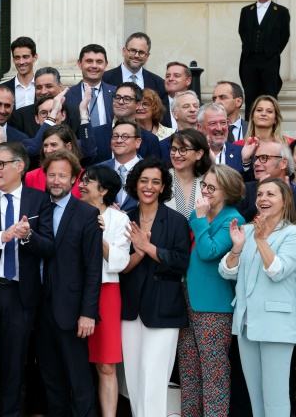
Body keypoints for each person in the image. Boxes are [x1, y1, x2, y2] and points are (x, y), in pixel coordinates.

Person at [0, 142, 55, 416]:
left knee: (14, 365)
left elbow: (49, 247)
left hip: (21, 294)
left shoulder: (39, 200)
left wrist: (28, 235)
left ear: (20, 166)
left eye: (0, 164)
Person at [119, 158, 191, 417]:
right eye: (144, 180)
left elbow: (181, 262)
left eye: (156, 182)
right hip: (130, 308)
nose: (149, 186)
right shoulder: (123, 219)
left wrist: (149, 249)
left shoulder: (176, 221)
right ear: (135, 184)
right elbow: (118, 265)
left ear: (163, 188)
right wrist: (137, 254)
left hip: (163, 307)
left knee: (154, 377)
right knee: (134, 379)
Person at [220, 177, 296, 416]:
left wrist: (261, 241)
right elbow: (226, 271)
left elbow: (277, 271)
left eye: (271, 194)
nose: (263, 199)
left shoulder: (292, 234)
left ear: (285, 202)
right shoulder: (248, 230)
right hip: (245, 323)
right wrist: (237, 248)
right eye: (260, 194)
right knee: (256, 397)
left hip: (276, 325)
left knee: (275, 398)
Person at [37, 150, 103, 416]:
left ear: (75, 179)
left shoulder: (87, 214)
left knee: (79, 379)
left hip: (73, 311)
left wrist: (88, 313)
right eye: (51, 174)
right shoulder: (37, 207)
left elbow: (93, 268)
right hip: (40, 308)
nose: (56, 180)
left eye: (62, 175)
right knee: (51, 379)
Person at [179, 165, 246, 417]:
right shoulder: (198, 215)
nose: (205, 191)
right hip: (186, 299)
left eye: (211, 187)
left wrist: (198, 219)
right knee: (189, 370)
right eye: (204, 185)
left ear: (227, 191)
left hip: (213, 306)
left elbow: (209, 252)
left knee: (213, 372)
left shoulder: (233, 218)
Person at [78, 164, 131, 417]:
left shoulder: (119, 219)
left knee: (107, 365)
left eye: (89, 181)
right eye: (82, 180)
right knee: (74, 362)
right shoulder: (70, 212)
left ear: (104, 190)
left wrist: (97, 235)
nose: (81, 184)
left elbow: (120, 262)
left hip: (107, 292)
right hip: (74, 290)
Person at [238, 0, 291, 115]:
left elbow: (285, 35)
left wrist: (272, 50)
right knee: (250, 95)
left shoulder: (281, 11)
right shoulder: (246, 11)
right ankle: (249, 128)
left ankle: (272, 130)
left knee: (270, 95)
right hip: (249, 59)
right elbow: (242, 32)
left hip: (269, 60)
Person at [8, 66, 82, 137]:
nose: (43, 92)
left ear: (60, 87)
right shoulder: (20, 116)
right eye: (39, 87)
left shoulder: (74, 114)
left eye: (49, 86)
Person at [24, 124, 84, 197]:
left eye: (54, 145)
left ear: (68, 146)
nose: (48, 150)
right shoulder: (32, 176)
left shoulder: (83, 177)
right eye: (45, 145)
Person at [102, 32, 167, 98]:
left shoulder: (158, 83)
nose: (136, 55)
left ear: (147, 56)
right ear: (124, 51)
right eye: (133, 50)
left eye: (141, 52)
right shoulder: (105, 79)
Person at [65, 44, 116, 127]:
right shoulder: (67, 96)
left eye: (99, 62)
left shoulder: (116, 93)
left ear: (106, 64)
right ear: (80, 63)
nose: (94, 66)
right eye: (89, 61)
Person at [165, 129, 212, 219]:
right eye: (174, 149)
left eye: (183, 150)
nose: (177, 155)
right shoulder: (161, 178)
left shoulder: (209, 180)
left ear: (199, 154)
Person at [197, 103, 249, 175]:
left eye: (223, 123)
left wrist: (246, 162)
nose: (219, 128)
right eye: (212, 123)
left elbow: (251, 183)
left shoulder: (241, 153)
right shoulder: (193, 154)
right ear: (200, 127)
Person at [3, 36, 39, 109]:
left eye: (25, 57)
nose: (21, 62)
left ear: (35, 57)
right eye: (17, 58)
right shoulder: (4, 88)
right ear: (13, 60)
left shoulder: (43, 87)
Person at [161, 62, 194, 128]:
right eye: (168, 76)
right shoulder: (156, 106)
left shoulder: (199, 108)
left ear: (188, 81)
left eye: (176, 76)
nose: (170, 79)